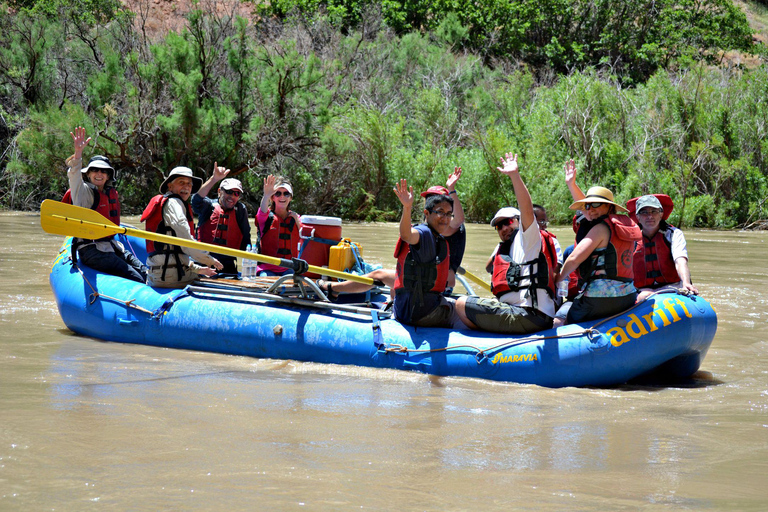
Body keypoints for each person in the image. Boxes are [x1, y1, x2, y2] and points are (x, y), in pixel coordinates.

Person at [455, 153, 557, 334]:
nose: (504, 228)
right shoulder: (503, 248)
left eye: (508, 222)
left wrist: (515, 177)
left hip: (529, 315)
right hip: (517, 312)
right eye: (499, 226)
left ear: (518, 220)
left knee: (461, 304)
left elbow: (526, 209)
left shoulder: (528, 238)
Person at [553, 160, 641, 326]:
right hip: (628, 296)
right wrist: (571, 184)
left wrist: (558, 278)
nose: (590, 209)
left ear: (609, 208)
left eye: (595, 205)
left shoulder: (600, 228)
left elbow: (574, 259)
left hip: (599, 298)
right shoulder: (623, 224)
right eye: (587, 205)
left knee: (563, 322)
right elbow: (587, 211)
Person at [63, 127, 146, 283]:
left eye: (103, 171)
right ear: (88, 173)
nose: (99, 174)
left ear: (108, 176)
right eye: (94, 170)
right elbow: (74, 175)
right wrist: (78, 153)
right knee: (135, 277)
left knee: (144, 272)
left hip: (111, 246)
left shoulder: (109, 193)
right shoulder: (83, 192)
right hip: (91, 250)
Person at [141, 167, 223, 288]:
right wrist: (208, 259)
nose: (186, 187)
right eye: (181, 182)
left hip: (164, 273)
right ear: (170, 186)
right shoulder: (174, 203)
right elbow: (185, 241)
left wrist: (199, 269)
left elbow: (175, 251)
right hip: (171, 276)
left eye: (189, 184)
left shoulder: (172, 203)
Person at [391, 179, 457, 327]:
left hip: (414, 309)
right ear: (426, 213)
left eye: (448, 214)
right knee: (463, 306)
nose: (445, 219)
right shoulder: (424, 233)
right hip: (421, 313)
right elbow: (406, 235)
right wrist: (407, 208)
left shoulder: (436, 236)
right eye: (440, 213)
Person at [627, 194, 698, 301]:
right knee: (643, 296)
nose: (650, 216)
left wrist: (686, 283)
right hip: (642, 290)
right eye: (644, 212)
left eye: (654, 211)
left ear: (661, 214)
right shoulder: (630, 238)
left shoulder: (673, 234)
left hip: (672, 287)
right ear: (637, 217)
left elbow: (680, 261)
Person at [191, 163, 251, 275]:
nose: (232, 197)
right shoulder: (208, 206)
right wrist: (214, 179)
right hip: (204, 262)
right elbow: (196, 200)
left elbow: (246, 239)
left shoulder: (240, 210)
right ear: (219, 191)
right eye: (228, 192)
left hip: (227, 264)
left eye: (236, 193)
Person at [420, 167, 466, 291]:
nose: (432, 201)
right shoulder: (423, 225)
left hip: (442, 285)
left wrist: (451, 189)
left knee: (379, 275)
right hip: (424, 279)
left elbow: (458, 220)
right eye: (429, 198)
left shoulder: (447, 223)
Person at [254, 175, 301, 276]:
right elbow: (262, 211)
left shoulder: (296, 218)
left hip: (289, 269)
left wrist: (297, 220)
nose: (282, 197)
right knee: (267, 281)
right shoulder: (266, 217)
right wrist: (266, 195)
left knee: (292, 281)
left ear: (291, 197)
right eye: (278, 193)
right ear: (273, 197)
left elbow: (306, 236)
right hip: (266, 269)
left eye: (286, 193)